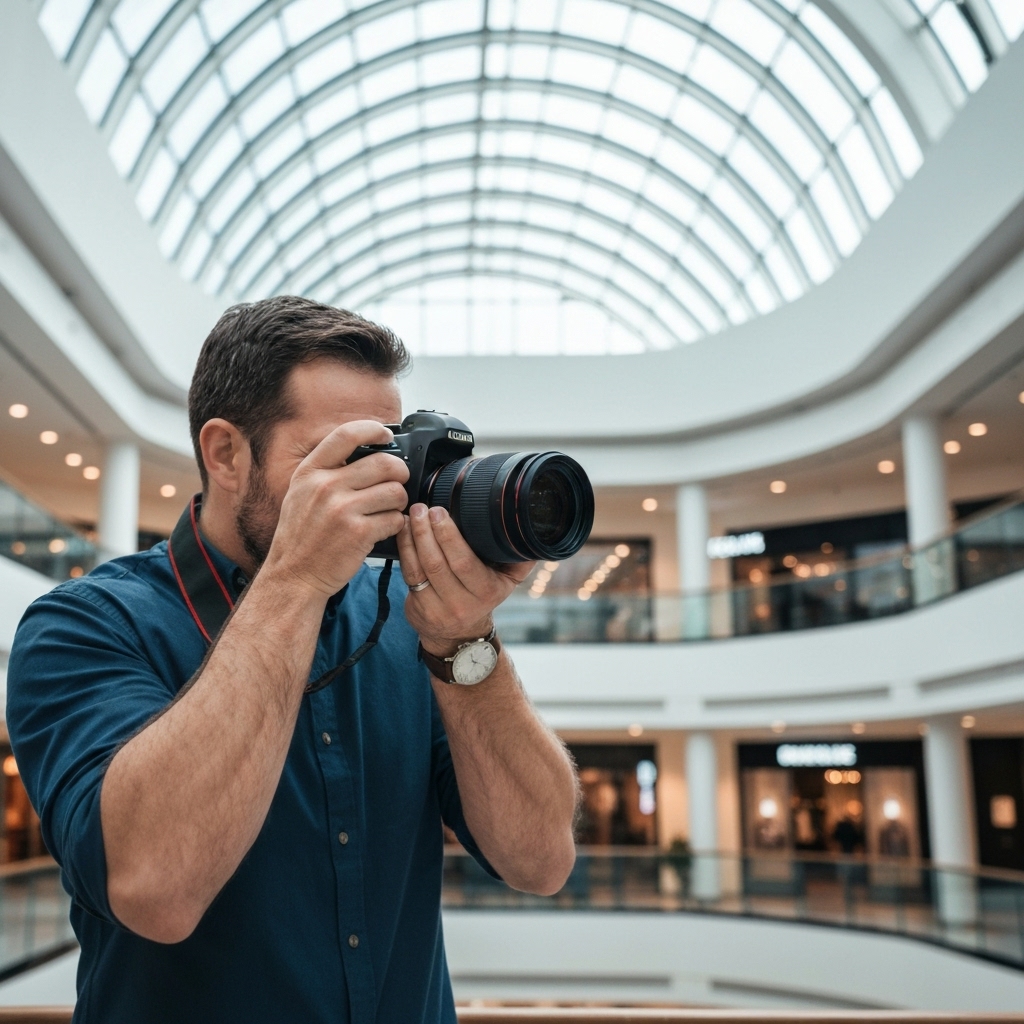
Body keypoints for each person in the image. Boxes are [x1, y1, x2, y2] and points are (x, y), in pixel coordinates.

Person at [6, 297, 579, 1024]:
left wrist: (467, 639)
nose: (380, 487)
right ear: (225, 453)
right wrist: (296, 583)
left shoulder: (411, 617)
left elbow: (540, 860)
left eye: (389, 453)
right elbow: (156, 889)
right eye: (344, 458)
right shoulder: (88, 625)